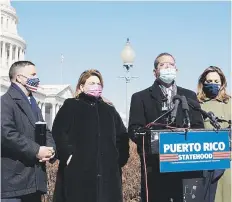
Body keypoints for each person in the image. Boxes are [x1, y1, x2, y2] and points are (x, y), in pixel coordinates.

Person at [128, 53, 206, 202]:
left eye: (171, 64)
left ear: (177, 69)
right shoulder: (140, 97)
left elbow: (198, 126)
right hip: (155, 167)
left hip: (184, 166)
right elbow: (134, 130)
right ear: (155, 72)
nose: (167, 67)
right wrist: (155, 137)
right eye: (162, 65)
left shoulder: (189, 96)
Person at [52, 69, 129, 202]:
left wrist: (119, 160)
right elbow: (59, 132)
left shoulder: (109, 109)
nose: (96, 86)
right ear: (82, 86)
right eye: (92, 82)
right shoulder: (71, 106)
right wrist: (68, 156)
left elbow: (122, 136)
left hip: (108, 174)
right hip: (78, 172)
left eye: (99, 83)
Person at [1, 61, 56, 202]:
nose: (36, 79)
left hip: (34, 181)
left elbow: (45, 129)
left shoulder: (33, 104)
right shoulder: (5, 102)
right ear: (19, 77)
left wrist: (51, 150)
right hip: (14, 184)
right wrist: (37, 150)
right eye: (33, 75)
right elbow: (6, 134)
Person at [197, 66, 231, 202]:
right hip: (205, 163)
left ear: (222, 83)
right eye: (209, 81)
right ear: (203, 83)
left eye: (216, 81)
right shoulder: (197, 104)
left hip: (228, 162)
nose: (213, 84)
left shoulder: (230, 103)